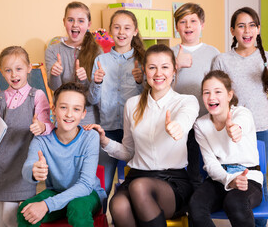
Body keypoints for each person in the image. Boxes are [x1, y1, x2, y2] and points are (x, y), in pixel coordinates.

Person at [84, 44, 199, 227]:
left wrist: (178, 127)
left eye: (165, 67)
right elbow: (128, 152)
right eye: (152, 67)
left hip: (170, 182)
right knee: (118, 204)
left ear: (174, 70)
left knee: (139, 188)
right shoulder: (132, 104)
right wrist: (104, 141)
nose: (158, 73)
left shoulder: (186, 101)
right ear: (144, 70)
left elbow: (185, 119)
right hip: (137, 176)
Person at [212, 6, 268, 226]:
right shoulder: (222, 60)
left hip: (259, 129)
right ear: (232, 30)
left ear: (258, 29)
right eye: (241, 25)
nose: (247, 30)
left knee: (258, 179)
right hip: (228, 130)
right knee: (229, 176)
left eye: (252, 25)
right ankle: (238, 216)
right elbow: (215, 96)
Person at [0, 46, 54, 227]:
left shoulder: (37, 96)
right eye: (8, 70)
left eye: (18, 69)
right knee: (1, 216)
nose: (14, 75)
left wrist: (41, 126)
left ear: (29, 68)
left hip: (21, 167)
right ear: (2, 72)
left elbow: (49, 125)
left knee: (12, 217)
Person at [17, 82, 107, 227]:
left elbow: (85, 185)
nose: (69, 114)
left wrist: (47, 205)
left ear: (83, 113)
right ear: (53, 109)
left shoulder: (90, 137)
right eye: (63, 107)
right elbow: (27, 168)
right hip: (56, 192)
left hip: (87, 194)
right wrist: (33, 171)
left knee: (77, 209)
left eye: (76, 109)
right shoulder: (41, 139)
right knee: (25, 211)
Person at [189, 70, 263, 227]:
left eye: (218, 92)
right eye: (206, 93)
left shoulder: (243, 113)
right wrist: (229, 180)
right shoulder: (200, 125)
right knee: (195, 205)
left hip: (248, 178)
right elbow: (210, 164)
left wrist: (235, 129)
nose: (211, 97)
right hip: (219, 178)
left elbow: (241, 124)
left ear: (229, 95)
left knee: (235, 203)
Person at [87, 10, 145, 197]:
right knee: (101, 185)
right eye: (117, 27)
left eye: (127, 27)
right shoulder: (100, 61)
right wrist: (96, 83)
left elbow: (149, 99)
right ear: (110, 30)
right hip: (108, 130)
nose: (122, 32)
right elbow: (93, 100)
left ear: (135, 31)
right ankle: (100, 220)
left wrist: (140, 82)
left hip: (136, 130)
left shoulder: (143, 61)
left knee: (137, 186)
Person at [172, 3, 220, 188]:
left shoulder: (213, 53)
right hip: (179, 123)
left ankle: (203, 208)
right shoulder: (170, 53)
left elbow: (219, 87)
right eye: (183, 22)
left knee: (205, 168)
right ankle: (187, 212)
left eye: (193, 21)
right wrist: (175, 65)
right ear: (177, 27)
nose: (188, 26)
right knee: (185, 171)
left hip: (206, 121)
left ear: (202, 24)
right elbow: (158, 85)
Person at [45, 1, 102, 125]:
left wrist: (84, 80)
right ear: (64, 21)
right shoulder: (53, 50)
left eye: (81, 21)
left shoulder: (97, 52)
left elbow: (94, 97)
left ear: (89, 24)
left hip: (88, 117)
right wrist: (55, 74)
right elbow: (55, 89)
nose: (75, 25)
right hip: (63, 117)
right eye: (70, 20)